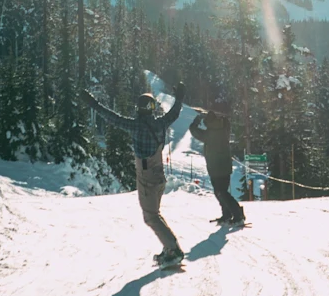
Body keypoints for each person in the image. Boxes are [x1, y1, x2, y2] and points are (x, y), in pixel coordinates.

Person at [86, 83, 185, 267]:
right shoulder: (160, 123)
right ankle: (169, 246)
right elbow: (174, 113)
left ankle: (173, 250)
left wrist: (94, 104)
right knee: (155, 213)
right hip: (159, 175)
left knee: (150, 217)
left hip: (147, 177)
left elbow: (112, 118)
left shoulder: (136, 126)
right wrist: (179, 98)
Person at [189, 96, 245, 226]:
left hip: (215, 168)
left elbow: (193, 129)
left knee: (220, 192)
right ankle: (227, 214)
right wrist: (217, 116)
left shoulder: (208, 134)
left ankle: (237, 214)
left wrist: (198, 119)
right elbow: (225, 120)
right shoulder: (224, 129)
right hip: (225, 166)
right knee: (222, 191)